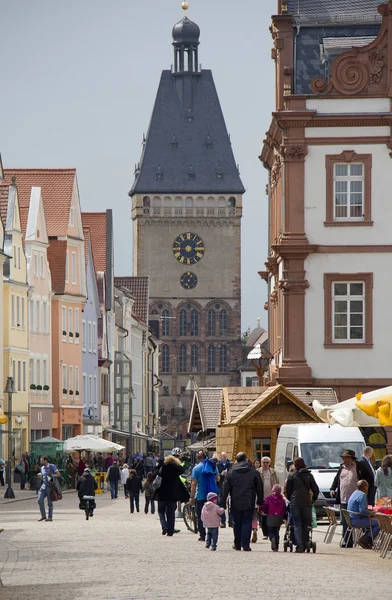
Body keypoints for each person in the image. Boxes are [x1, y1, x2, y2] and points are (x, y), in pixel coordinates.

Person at [330, 449, 373, 547]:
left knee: (360, 518)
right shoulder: (341, 468)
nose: (343, 460)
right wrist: (333, 488)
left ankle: (364, 539)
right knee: (345, 521)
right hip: (344, 498)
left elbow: (370, 479)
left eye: (345, 458)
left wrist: (365, 490)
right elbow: (337, 479)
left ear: (351, 458)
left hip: (356, 499)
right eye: (343, 458)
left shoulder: (359, 466)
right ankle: (347, 541)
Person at [221, 452, 264, 552]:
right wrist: (260, 501)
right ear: (246, 460)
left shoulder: (231, 472)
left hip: (235, 501)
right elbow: (259, 487)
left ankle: (237, 544)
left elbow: (225, 488)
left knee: (237, 523)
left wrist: (223, 502)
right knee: (247, 522)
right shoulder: (253, 471)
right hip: (249, 501)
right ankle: (245, 544)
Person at [285, 457, 319, 553]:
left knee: (297, 524)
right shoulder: (309, 475)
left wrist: (291, 499)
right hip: (307, 503)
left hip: (295, 503)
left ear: (295, 465)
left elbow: (288, 491)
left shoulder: (291, 475)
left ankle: (299, 546)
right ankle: (305, 542)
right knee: (305, 524)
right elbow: (315, 489)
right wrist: (313, 499)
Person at [154, 453, 189, 536]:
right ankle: (170, 531)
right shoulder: (176, 469)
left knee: (161, 511)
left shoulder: (162, 467)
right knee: (171, 514)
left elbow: (153, 474)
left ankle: (164, 526)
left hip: (162, 493)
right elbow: (182, 470)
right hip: (172, 495)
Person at [190, 450, 220, 542]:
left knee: (200, 516)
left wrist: (192, 496)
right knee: (214, 514)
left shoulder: (196, 468)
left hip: (201, 495)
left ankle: (202, 535)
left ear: (198, 458)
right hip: (212, 496)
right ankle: (213, 534)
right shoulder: (212, 466)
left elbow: (194, 484)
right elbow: (218, 479)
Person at [347, 480, 380, 548]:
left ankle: (365, 538)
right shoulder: (362, 495)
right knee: (379, 523)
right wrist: (371, 513)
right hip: (357, 520)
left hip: (351, 518)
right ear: (365, 487)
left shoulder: (355, 493)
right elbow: (362, 511)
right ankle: (367, 539)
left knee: (372, 522)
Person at [261, 484, 287, 552]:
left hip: (270, 516)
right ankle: (276, 546)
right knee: (277, 532)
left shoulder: (269, 498)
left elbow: (265, 506)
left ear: (272, 490)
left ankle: (272, 538)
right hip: (279, 517)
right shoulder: (282, 500)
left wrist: (264, 511)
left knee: (271, 531)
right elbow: (284, 509)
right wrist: (284, 516)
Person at [258, 456, 279, 540]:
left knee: (271, 515)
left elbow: (276, 483)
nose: (265, 464)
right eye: (264, 462)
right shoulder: (258, 472)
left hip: (271, 497)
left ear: (269, 463)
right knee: (263, 516)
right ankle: (265, 533)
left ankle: (271, 533)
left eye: (267, 462)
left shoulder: (273, 472)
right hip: (262, 497)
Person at [37, 456, 60, 522]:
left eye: (42, 461)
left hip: (50, 487)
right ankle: (43, 516)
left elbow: (58, 474)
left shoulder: (51, 466)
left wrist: (52, 476)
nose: (41, 462)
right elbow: (43, 475)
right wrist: (40, 475)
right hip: (43, 486)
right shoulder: (42, 468)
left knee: (50, 502)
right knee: (40, 500)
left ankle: (50, 517)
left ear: (46, 460)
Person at [217, 452, 232, 528]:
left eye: (225, 457)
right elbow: (216, 476)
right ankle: (223, 521)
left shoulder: (230, 465)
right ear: (220, 457)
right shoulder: (217, 465)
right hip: (220, 485)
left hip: (229, 485)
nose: (224, 458)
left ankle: (230, 522)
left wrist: (228, 473)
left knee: (230, 503)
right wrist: (221, 474)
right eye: (223, 457)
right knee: (221, 503)